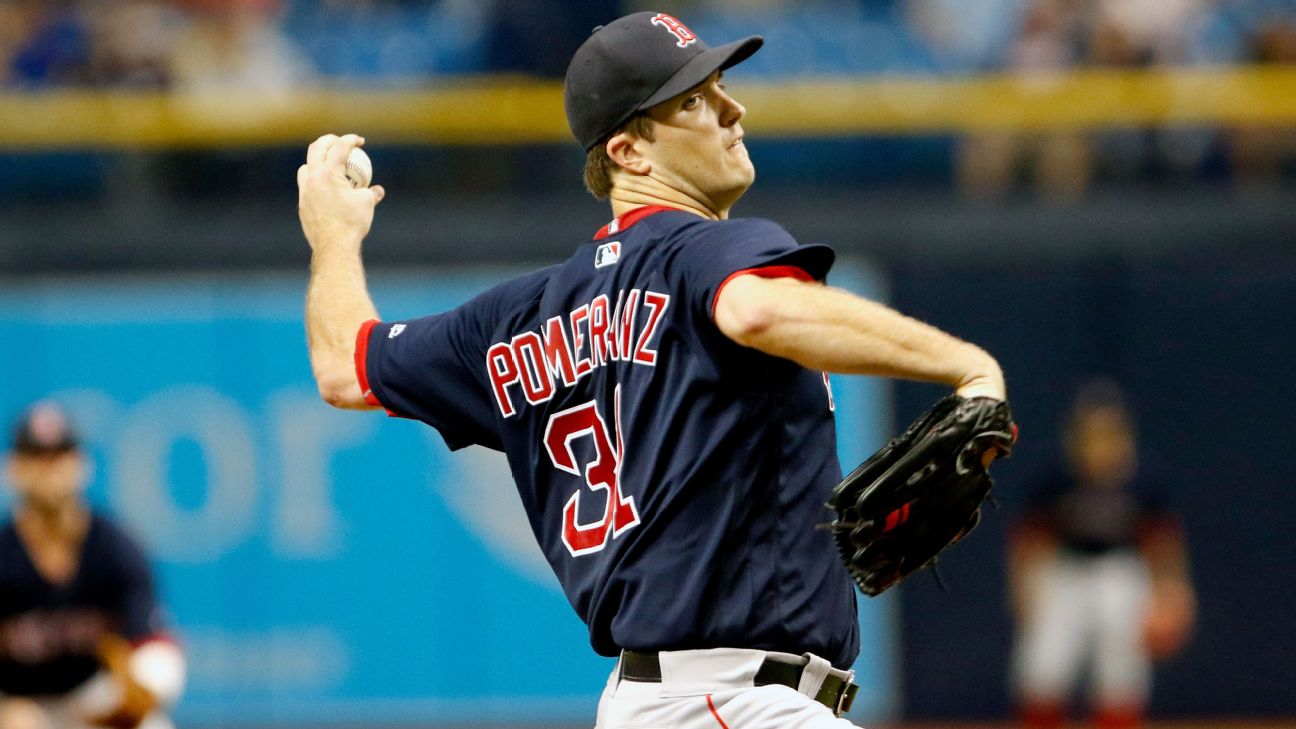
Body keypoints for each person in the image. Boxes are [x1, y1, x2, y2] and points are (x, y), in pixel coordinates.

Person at [297, 11, 1008, 728]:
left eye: (722, 85)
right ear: (630, 152)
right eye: (695, 100)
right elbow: (757, 312)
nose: (734, 108)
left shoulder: (514, 319)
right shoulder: (702, 252)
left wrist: (333, 237)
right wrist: (965, 364)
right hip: (731, 699)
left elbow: (345, 366)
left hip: (661, 700)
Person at [1008, 380, 1195, 729]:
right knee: (1043, 667)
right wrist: (1024, 588)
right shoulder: (1056, 474)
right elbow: (1031, 538)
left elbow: (1163, 539)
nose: (1100, 443)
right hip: (1065, 571)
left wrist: (1172, 591)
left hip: (1120, 571)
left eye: (1109, 433)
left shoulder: (1144, 476)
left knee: (1121, 671)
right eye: (1092, 433)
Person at [0, 402, 185, 729]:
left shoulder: (115, 547)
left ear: (81, 465)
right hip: (21, 707)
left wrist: (145, 687)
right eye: (36, 458)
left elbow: (154, 646)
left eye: (59, 457)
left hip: (92, 705)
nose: (49, 471)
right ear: (13, 468)